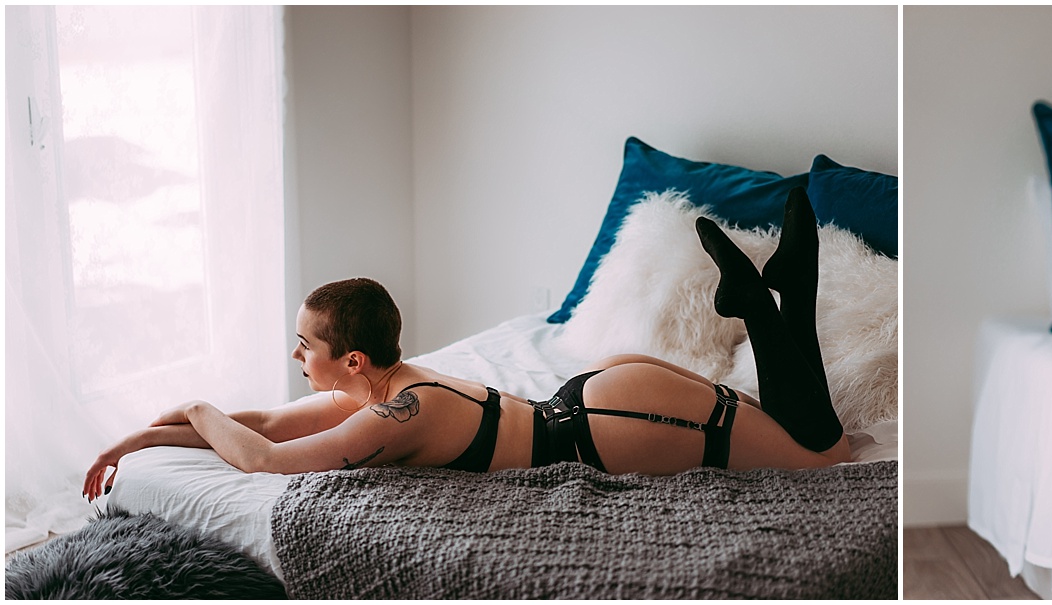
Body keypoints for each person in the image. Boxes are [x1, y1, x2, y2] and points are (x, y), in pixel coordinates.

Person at [84, 189, 848, 501]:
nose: (296, 359)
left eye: (302, 346)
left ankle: (767, 301)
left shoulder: (397, 414)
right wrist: (138, 437)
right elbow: (262, 424)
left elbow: (266, 458)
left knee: (822, 460)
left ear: (352, 360)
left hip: (604, 427)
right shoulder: (382, 385)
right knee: (799, 433)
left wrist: (192, 400)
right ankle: (767, 299)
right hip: (598, 400)